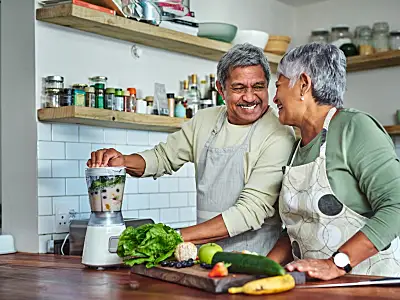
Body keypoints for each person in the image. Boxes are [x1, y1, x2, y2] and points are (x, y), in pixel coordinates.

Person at [87, 43, 295, 255]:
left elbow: (249, 211)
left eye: (258, 87)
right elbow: (163, 157)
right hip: (204, 256)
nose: (250, 97)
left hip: (254, 259)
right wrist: (123, 161)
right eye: (239, 88)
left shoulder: (279, 135)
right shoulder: (205, 120)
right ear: (221, 89)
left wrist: (171, 237)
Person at [267, 42, 400, 279]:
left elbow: (396, 206)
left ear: (304, 85)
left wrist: (336, 264)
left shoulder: (355, 128)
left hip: (369, 286)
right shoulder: (298, 146)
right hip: (316, 289)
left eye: (278, 86)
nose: (275, 97)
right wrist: (261, 268)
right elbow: (301, 230)